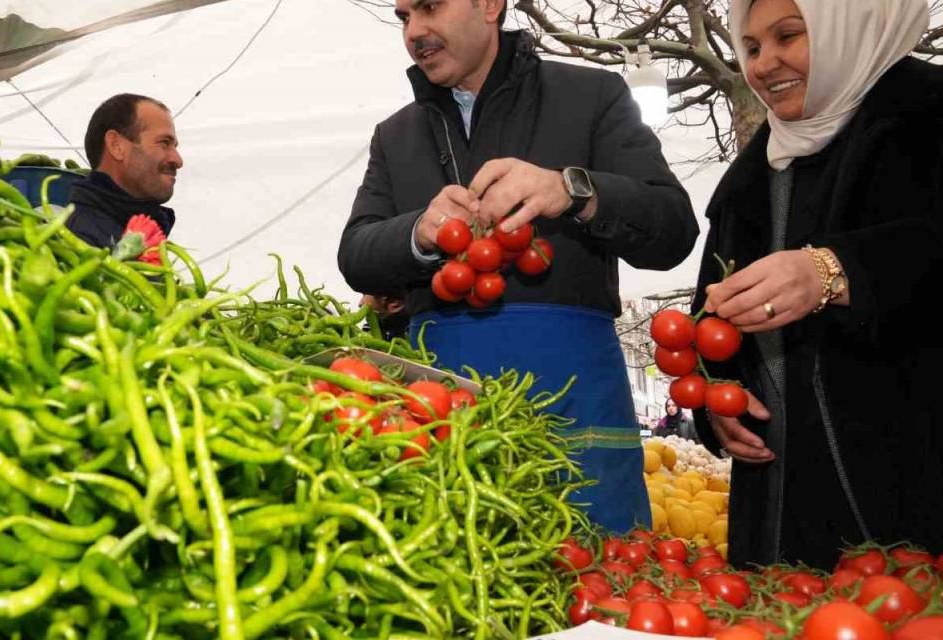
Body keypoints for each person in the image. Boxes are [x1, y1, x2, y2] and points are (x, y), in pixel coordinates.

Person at [336, 0, 699, 533]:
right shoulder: (395, 136)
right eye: (404, 16)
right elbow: (355, 254)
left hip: (577, 407)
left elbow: (672, 230)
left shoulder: (592, 96)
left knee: (598, 576)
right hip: (441, 414)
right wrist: (418, 230)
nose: (415, 31)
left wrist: (573, 190)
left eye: (430, 8)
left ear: (489, 6)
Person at [692, 0, 943, 568]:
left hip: (907, 475)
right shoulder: (757, 166)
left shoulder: (927, 114)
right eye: (752, 47)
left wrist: (837, 269)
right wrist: (719, 400)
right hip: (778, 488)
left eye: (788, 36)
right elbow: (709, 312)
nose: (763, 64)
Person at [65, 94, 183, 249]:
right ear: (116, 146)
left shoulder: (135, 234)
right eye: (164, 143)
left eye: (175, 146)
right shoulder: (78, 241)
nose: (178, 160)